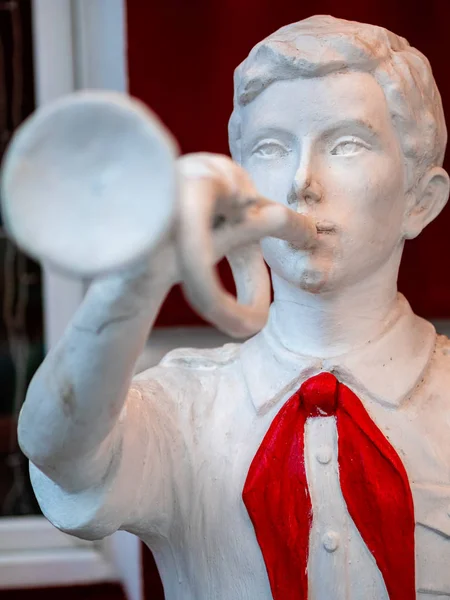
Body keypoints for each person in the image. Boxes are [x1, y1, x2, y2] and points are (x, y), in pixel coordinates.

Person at [18, 15, 450, 600]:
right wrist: (136, 276)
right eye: (272, 148)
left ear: (421, 200)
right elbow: (57, 450)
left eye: (346, 143)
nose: (302, 183)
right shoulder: (183, 405)